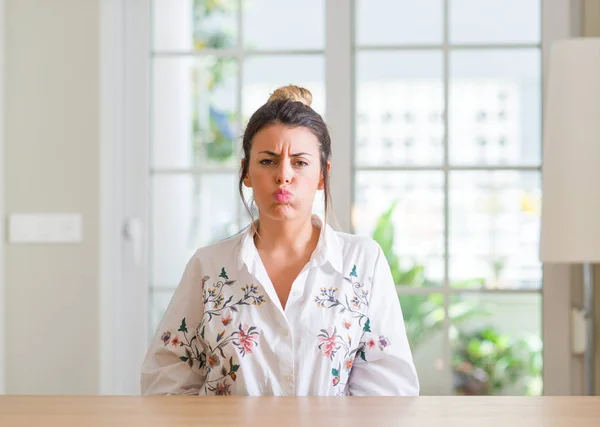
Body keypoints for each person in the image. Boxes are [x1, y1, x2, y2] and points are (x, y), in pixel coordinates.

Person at [140, 85, 419, 396]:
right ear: (245, 172)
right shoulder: (209, 265)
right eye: (268, 161)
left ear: (322, 176)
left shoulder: (363, 261)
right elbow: (165, 378)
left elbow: (390, 389)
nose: (283, 175)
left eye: (299, 162)